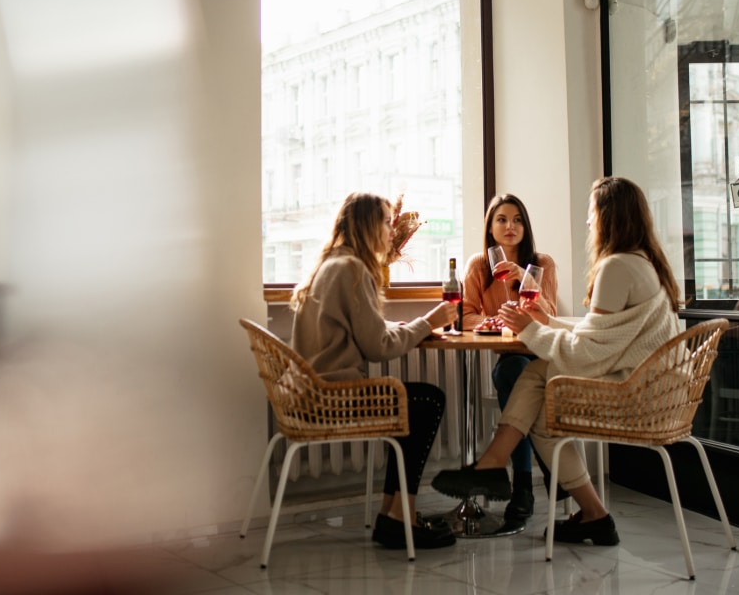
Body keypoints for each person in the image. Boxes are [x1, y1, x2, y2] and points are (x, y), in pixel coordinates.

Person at [432, 177, 682, 546]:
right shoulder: (643, 262)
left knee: (539, 395)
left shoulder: (615, 267)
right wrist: (542, 324)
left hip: (638, 393)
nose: (587, 223)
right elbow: (600, 335)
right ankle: (580, 508)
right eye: (501, 220)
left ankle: (497, 466)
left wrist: (529, 329)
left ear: (609, 217)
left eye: (591, 213)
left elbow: (587, 351)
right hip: (658, 386)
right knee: (534, 376)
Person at [291, 192, 459, 550]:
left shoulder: (332, 264)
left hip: (311, 392)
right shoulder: (354, 270)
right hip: (336, 396)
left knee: (411, 403)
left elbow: (364, 331)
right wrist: (428, 322)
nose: (391, 230)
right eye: (385, 222)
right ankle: (402, 517)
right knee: (428, 400)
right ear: (368, 225)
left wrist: (399, 326)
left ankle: (393, 516)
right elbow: (377, 348)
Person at [461, 193, 559, 523]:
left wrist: (524, 276)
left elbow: (551, 317)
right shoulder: (478, 265)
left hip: (542, 355)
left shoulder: (542, 263)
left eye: (517, 219)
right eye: (501, 219)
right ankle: (544, 474)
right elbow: (466, 316)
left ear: (525, 226)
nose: (510, 226)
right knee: (512, 371)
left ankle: (522, 487)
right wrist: (494, 322)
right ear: (490, 227)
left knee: (513, 375)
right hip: (510, 355)